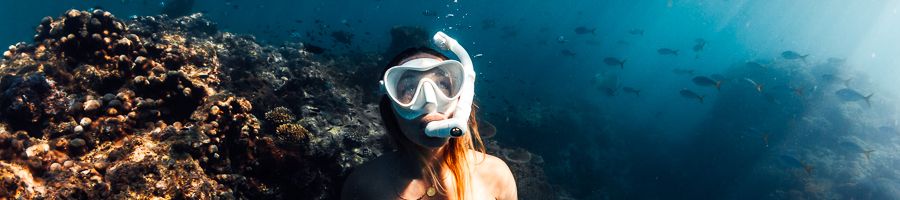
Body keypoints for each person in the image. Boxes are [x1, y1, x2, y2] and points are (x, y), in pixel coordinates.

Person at [341, 32, 517, 200]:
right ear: (390, 107)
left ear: (462, 98)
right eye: (409, 88)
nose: (430, 102)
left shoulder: (496, 175)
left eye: (442, 84)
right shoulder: (363, 184)